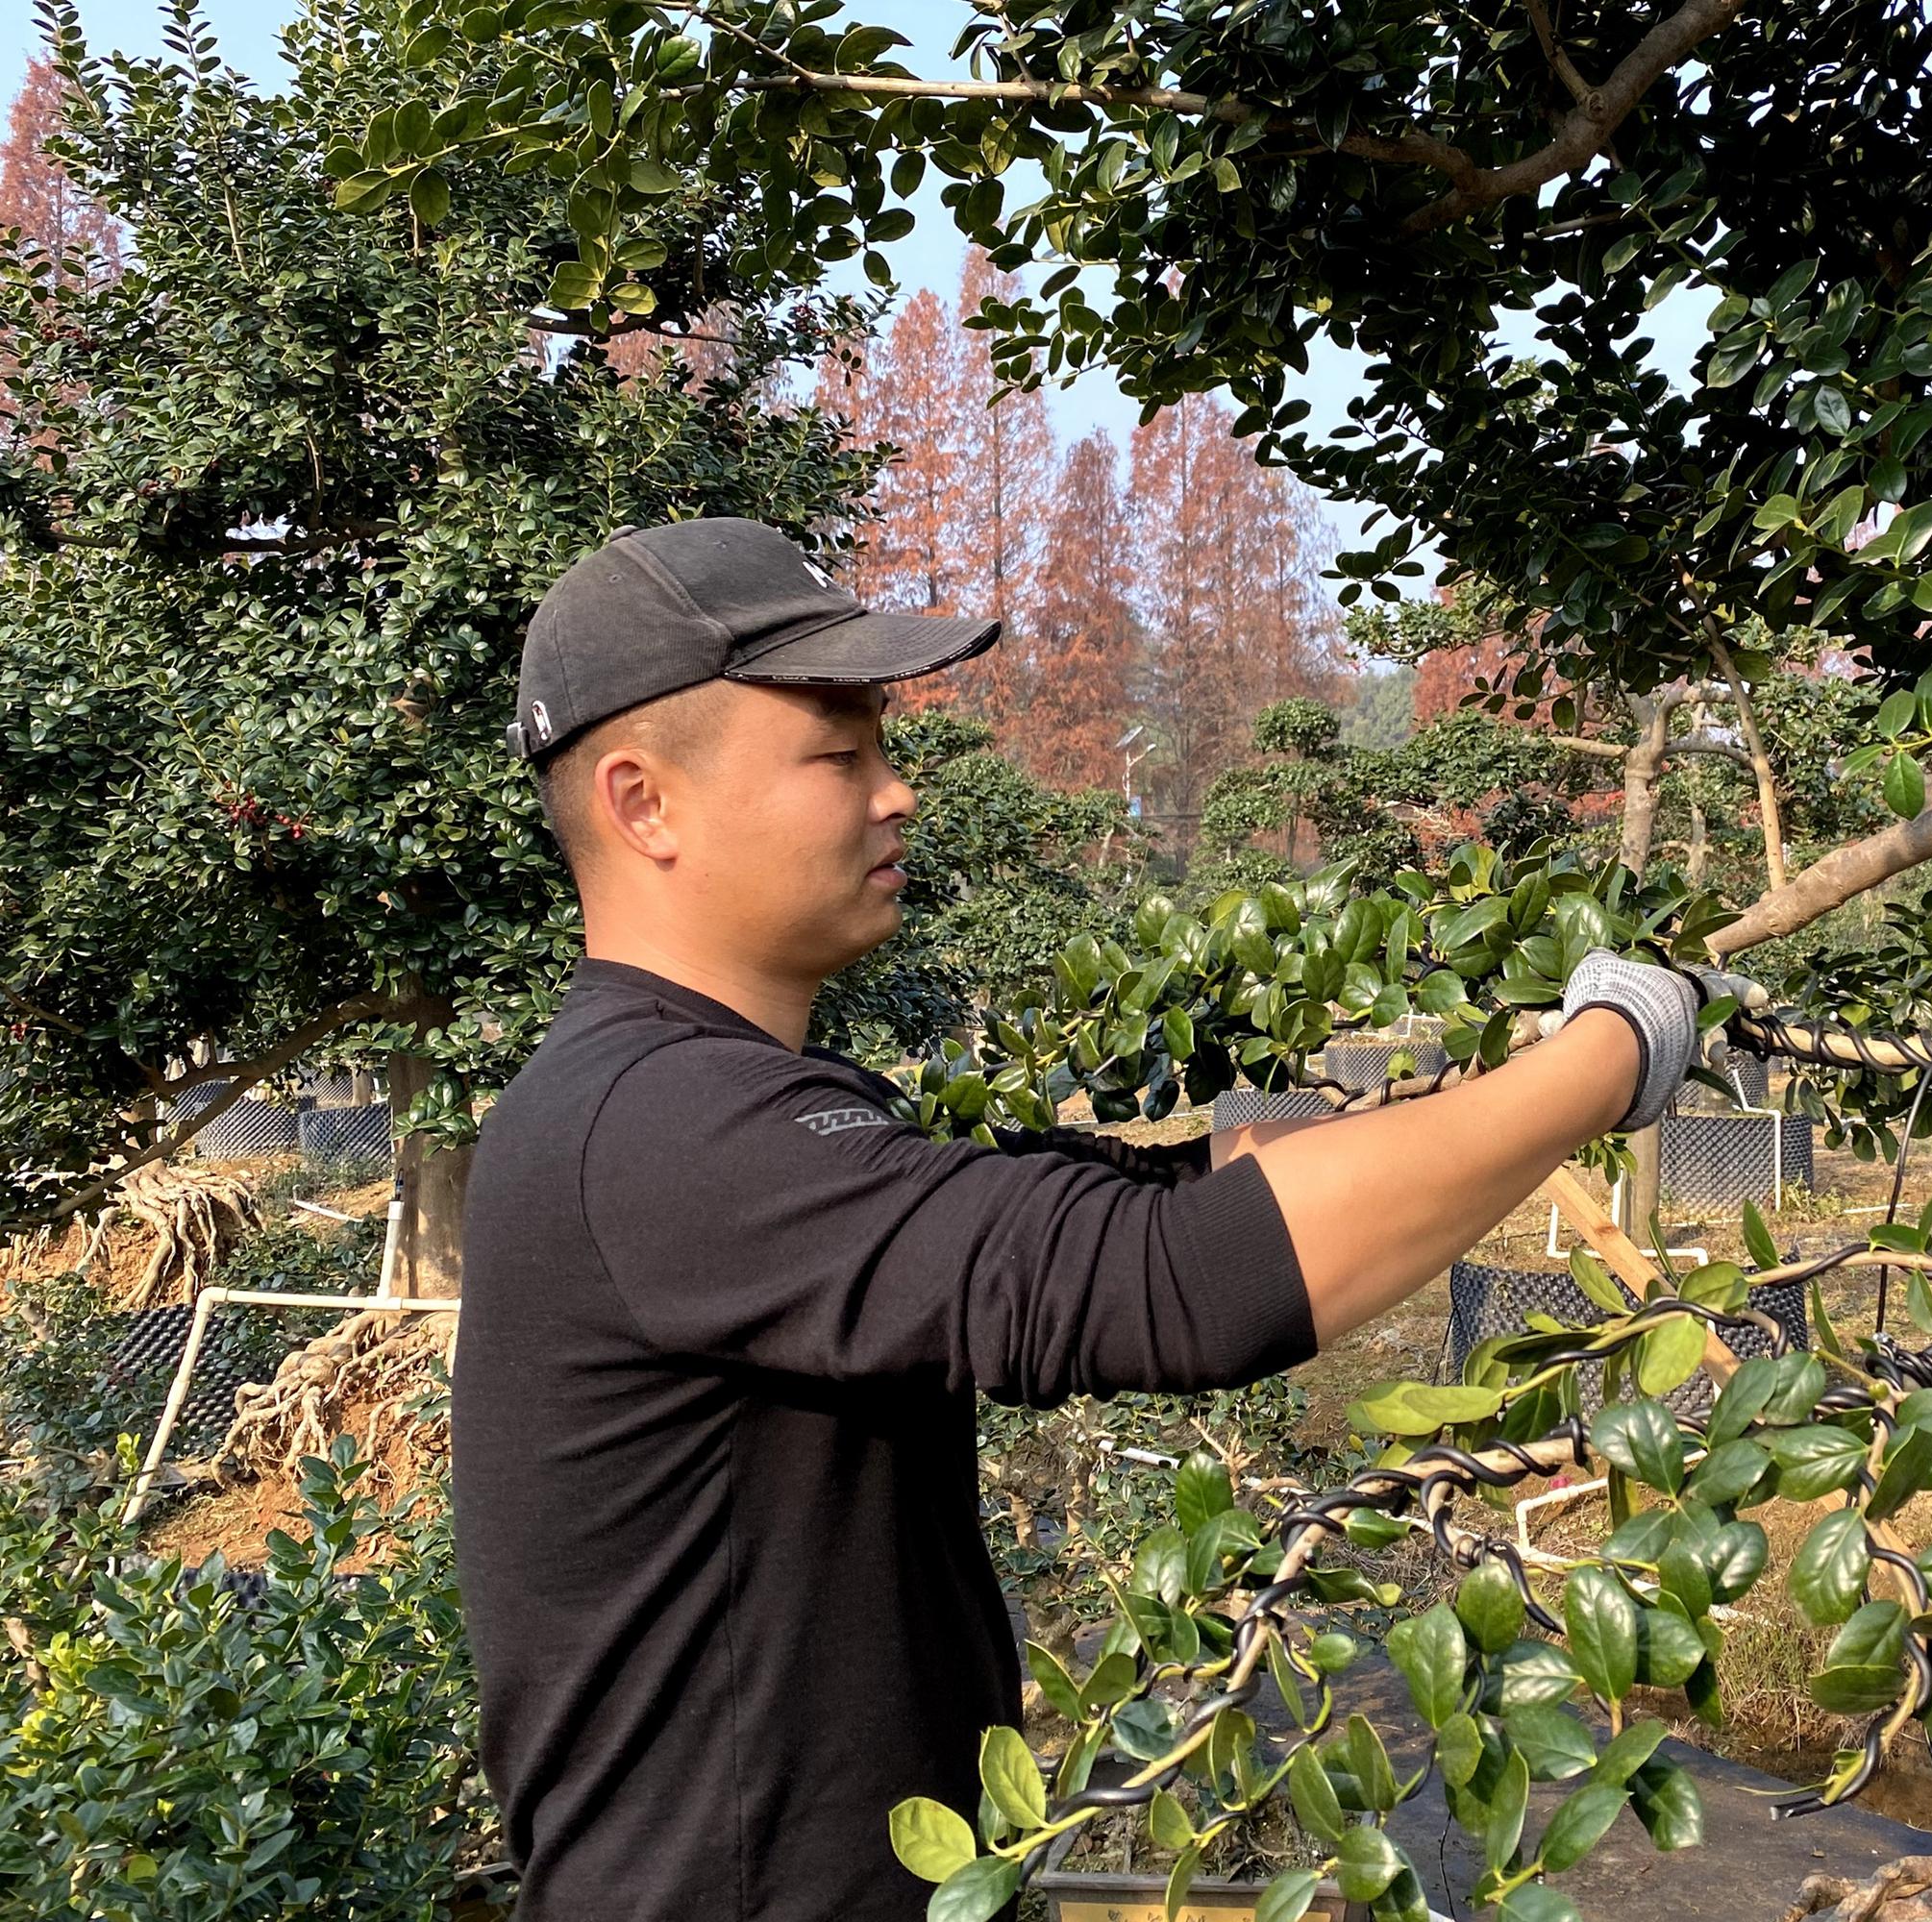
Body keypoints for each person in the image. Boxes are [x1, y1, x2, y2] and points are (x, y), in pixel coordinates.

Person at [455, 519, 1724, 1921]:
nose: (899, 796)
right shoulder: (657, 1129)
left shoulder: (704, 1103)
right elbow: (1170, 1284)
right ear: (646, 805)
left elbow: (1114, 1195)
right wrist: (1610, 1053)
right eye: (841, 753)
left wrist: (1374, 1119)